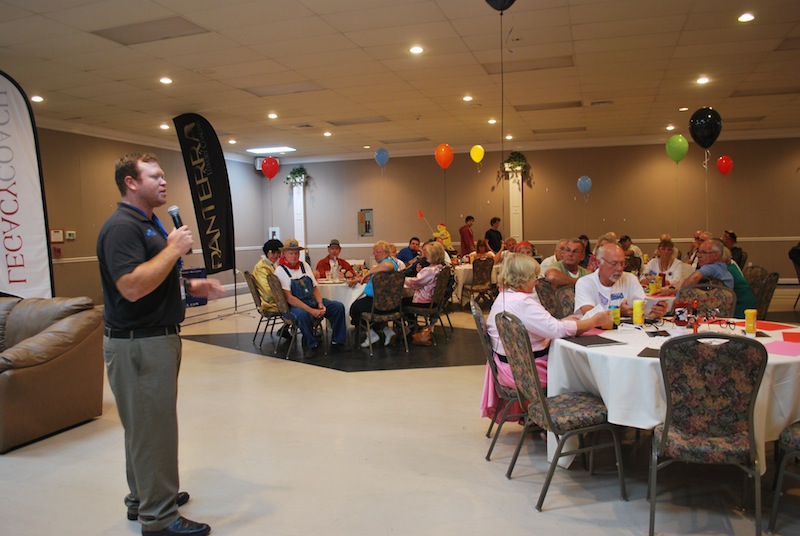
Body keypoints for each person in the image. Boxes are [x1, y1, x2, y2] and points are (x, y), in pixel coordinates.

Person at [97, 152, 224, 536]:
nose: (163, 181)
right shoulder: (122, 227)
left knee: (144, 426)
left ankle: (144, 497)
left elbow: (152, 277)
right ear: (131, 183)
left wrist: (190, 285)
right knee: (154, 429)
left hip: (153, 339)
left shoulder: (148, 223)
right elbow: (131, 287)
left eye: (163, 175)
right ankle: (160, 517)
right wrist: (173, 249)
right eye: (154, 176)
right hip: (139, 343)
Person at [481, 253, 611, 420]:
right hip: (528, 373)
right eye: (534, 277)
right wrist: (593, 321)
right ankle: (572, 419)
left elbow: (546, 326)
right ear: (522, 279)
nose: (537, 282)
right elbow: (556, 330)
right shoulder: (523, 303)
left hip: (509, 368)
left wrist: (560, 322)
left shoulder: (504, 297)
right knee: (581, 373)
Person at [275, 238, 347, 355]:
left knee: (338, 307)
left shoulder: (304, 265)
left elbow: (314, 288)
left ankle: (338, 341)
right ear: (284, 254)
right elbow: (289, 298)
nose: (294, 256)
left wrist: (320, 304)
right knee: (302, 314)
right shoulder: (280, 270)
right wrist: (311, 311)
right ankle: (311, 345)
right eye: (291, 253)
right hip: (293, 306)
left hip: (312, 301)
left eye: (297, 253)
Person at [575, 243, 668, 319]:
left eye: (623, 263)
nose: (619, 268)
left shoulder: (630, 279)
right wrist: (619, 312)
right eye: (614, 263)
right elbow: (591, 316)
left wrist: (655, 313)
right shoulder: (585, 283)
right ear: (599, 263)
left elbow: (644, 310)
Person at [349, 240, 401, 347]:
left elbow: (388, 266)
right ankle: (387, 331)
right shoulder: (382, 266)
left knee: (354, 308)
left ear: (385, 252)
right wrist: (358, 280)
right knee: (361, 306)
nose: (374, 255)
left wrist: (369, 272)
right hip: (392, 304)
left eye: (377, 252)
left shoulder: (389, 262)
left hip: (378, 303)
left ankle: (371, 334)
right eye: (374, 252)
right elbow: (378, 281)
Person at [403, 241, 446, 330]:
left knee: (399, 303)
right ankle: (413, 326)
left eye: (427, 253)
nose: (425, 255)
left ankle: (412, 326)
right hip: (434, 300)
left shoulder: (429, 270)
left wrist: (401, 279)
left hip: (424, 301)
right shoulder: (439, 267)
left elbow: (416, 283)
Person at [252, 238, 283, 313]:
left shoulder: (270, 264)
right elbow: (268, 292)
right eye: (272, 252)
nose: (276, 255)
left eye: (278, 252)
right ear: (266, 252)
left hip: (273, 301)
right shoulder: (262, 268)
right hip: (270, 304)